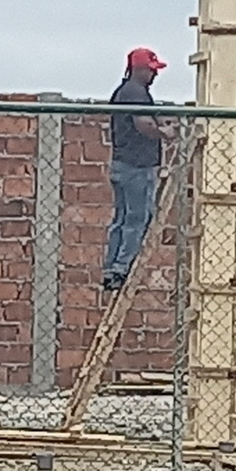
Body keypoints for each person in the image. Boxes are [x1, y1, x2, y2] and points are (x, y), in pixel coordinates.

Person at [100, 47, 169, 291]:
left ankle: (111, 268)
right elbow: (143, 124)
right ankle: (122, 268)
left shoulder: (123, 91)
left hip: (121, 164)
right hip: (136, 166)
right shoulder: (136, 92)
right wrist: (164, 133)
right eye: (151, 70)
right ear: (138, 69)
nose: (154, 75)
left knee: (121, 219)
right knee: (138, 218)